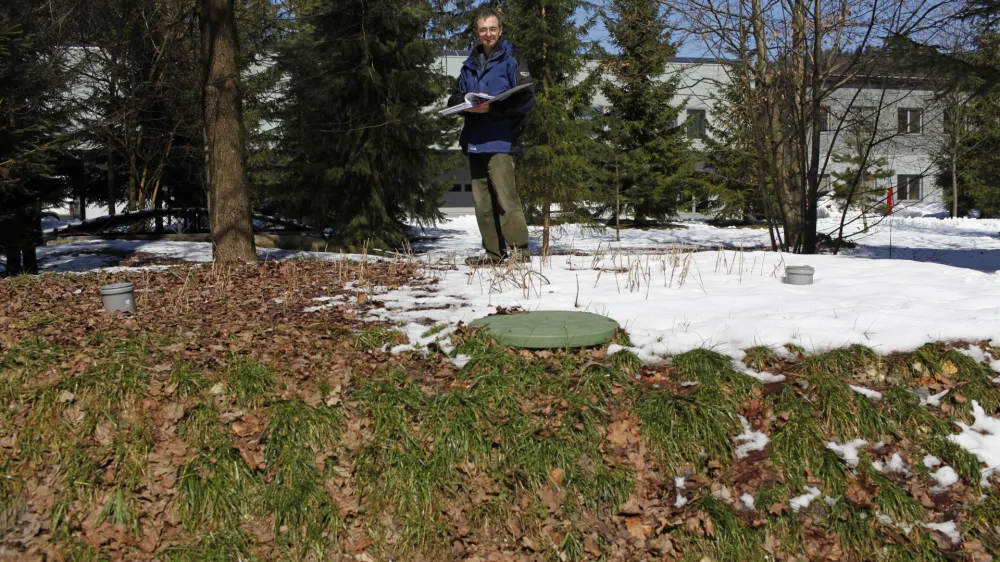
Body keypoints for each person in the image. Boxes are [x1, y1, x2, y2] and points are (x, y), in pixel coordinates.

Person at [447, 7, 535, 266]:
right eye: (483, 29)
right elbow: (454, 96)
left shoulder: (512, 59)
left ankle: (519, 254)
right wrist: (464, 103)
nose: (488, 34)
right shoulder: (469, 64)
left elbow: (526, 98)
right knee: (482, 203)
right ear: (476, 31)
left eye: (493, 29)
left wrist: (492, 108)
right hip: (475, 140)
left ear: (501, 30)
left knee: (506, 200)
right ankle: (494, 254)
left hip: (501, 140)